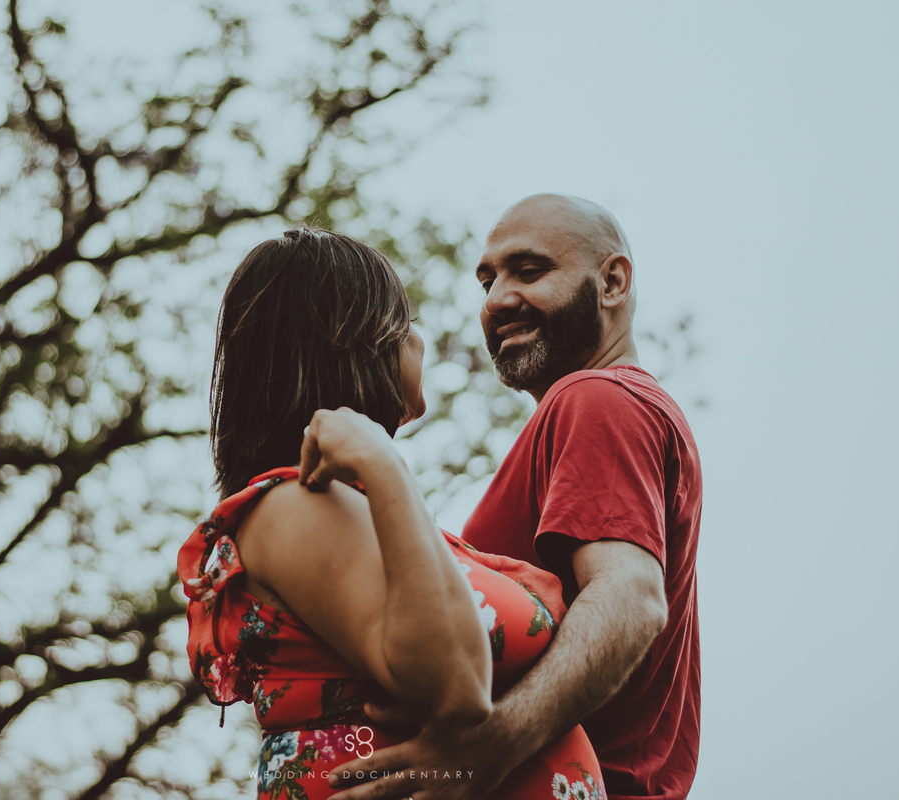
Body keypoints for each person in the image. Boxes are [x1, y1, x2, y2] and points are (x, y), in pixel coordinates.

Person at [177, 227, 606, 800]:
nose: (419, 339)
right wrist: (386, 466)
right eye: (405, 319)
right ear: (353, 337)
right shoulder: (290, 505)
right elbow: (457, 684)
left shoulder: (352, 513)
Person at [327, 195, 702, 800]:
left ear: (612, 282)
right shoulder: (595, 412)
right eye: (487, 280)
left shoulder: (596, 399)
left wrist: (492, 745)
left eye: (530, 271)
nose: (498, 299)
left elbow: (631, 597)